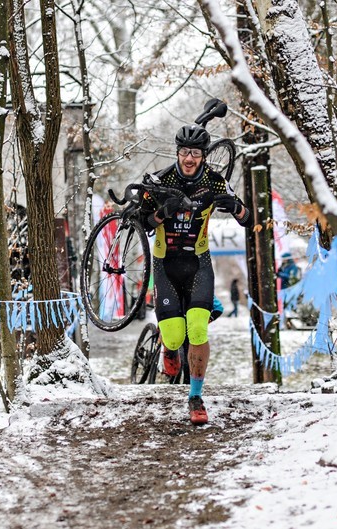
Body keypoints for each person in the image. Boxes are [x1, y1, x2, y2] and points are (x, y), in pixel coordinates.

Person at [139, 123, 253, 425]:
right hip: (165, 264)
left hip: (199, 263)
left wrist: (236, 207)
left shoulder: (215, 183)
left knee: (198, 329)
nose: (190, 158)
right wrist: (163, 212)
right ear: (177, 152)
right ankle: (168, 347)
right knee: (176, 338)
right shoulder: (160, 181)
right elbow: (143, 223)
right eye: (185, 152)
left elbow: (246, 218)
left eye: (196, 154)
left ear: (204, 156)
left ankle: (195, 397)